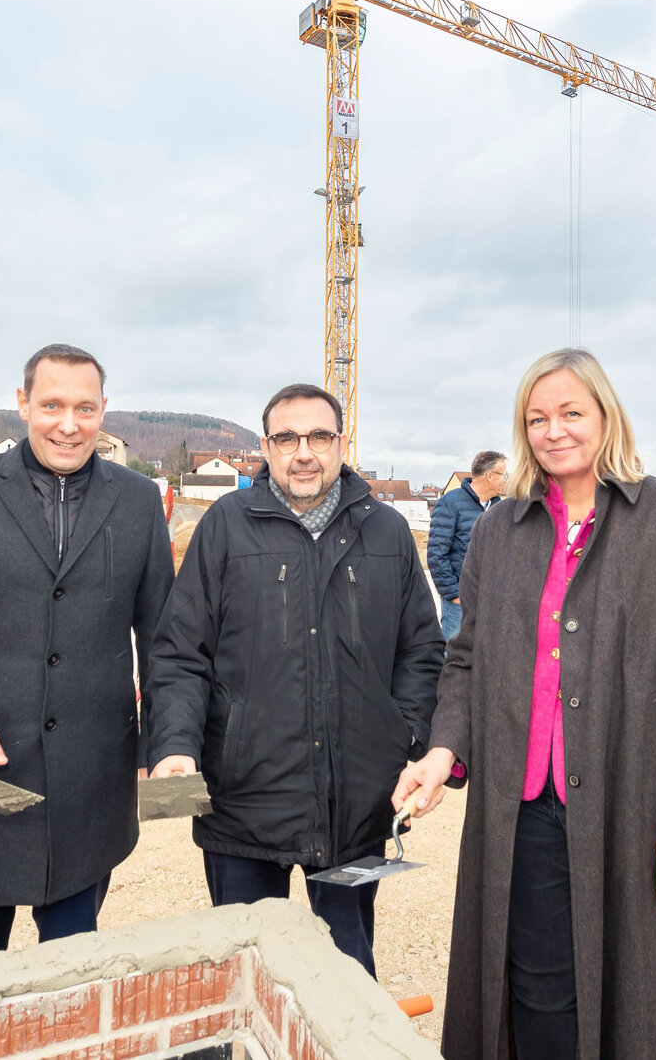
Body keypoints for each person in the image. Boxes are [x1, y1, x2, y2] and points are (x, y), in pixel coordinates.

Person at [395, 348, 656, 1060]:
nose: (553, 430)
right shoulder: (501, 529)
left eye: (570, 413)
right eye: (537, 418)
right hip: (522, 807)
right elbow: (467, 658)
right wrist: (441, 750)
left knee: (646, 999)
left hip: (635, 803)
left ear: (605, 416)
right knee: (537, 992)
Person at [145, 382, 444, 977]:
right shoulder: (225, 526)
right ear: (266, 446)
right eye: (286, 438)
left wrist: (403, 736)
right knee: (246, 980)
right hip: (243, 803)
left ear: (341, 442)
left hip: (356, 806)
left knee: (344, 977)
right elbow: (181, 651)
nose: (302, 451)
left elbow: (422, 651)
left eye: (318, 436)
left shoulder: (386, 532)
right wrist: (176, 745)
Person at [0, 344, 173, 956]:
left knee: (71, 984)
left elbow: (163, 642)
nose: (68, 425)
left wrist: (166, 743)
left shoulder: (138, 501)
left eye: (84, 408)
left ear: (105, 411)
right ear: (22, 404)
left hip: (90, 787)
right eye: (51, 405)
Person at [427, 451, 507, 640]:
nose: (506, 481)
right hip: (460, 603)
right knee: (454, 658)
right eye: (504, 475)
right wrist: (455, 595)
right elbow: (436, 554)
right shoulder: (451, 503)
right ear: (489, 476)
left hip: (491, 601)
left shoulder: (499, 507)